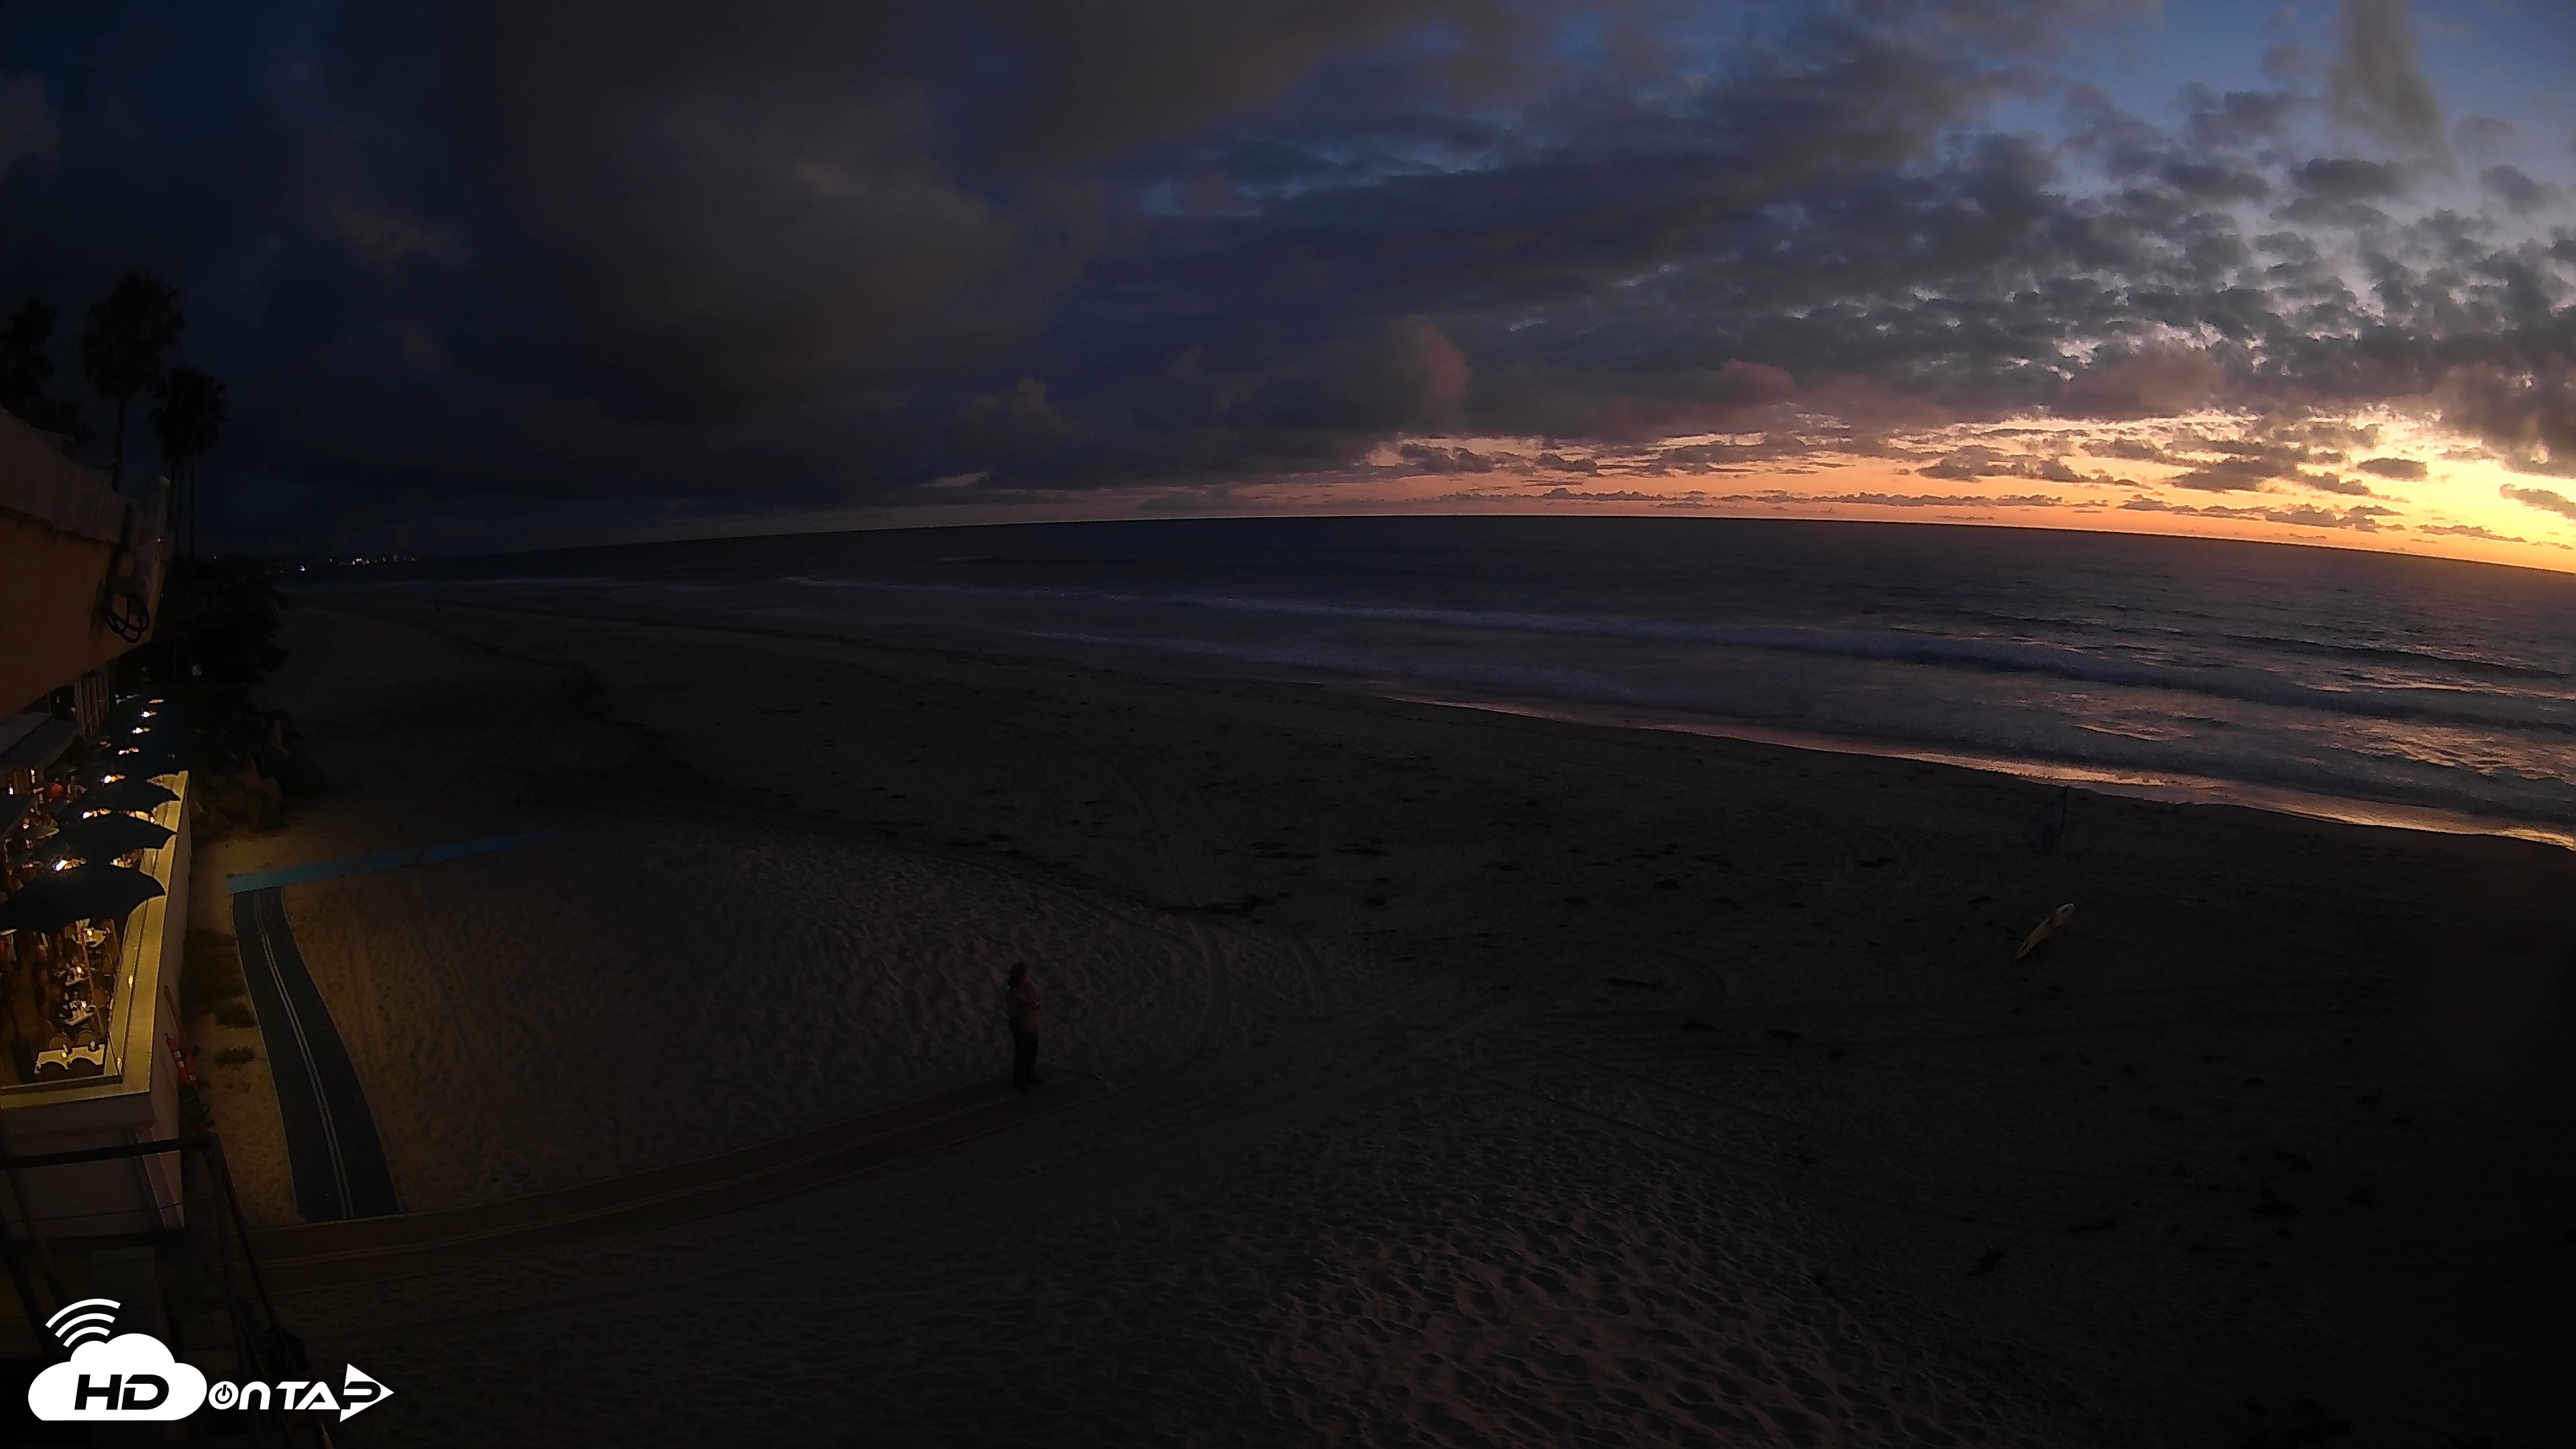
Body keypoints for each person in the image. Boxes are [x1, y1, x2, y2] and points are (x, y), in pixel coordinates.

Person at [1008, 962, 1044, 1091]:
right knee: (1022, 1055)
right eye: (1027, 974)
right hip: (1022, 1027)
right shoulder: (1014, 992)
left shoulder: (1030, 988)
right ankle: (1019, 1081)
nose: (1029, 976)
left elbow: (1036, 1000)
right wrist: (1028, 1008)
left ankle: (1030, 1076)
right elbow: (1014, 1011)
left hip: (1033, 1024)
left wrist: (1035, 1005)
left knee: (1032, 1052)